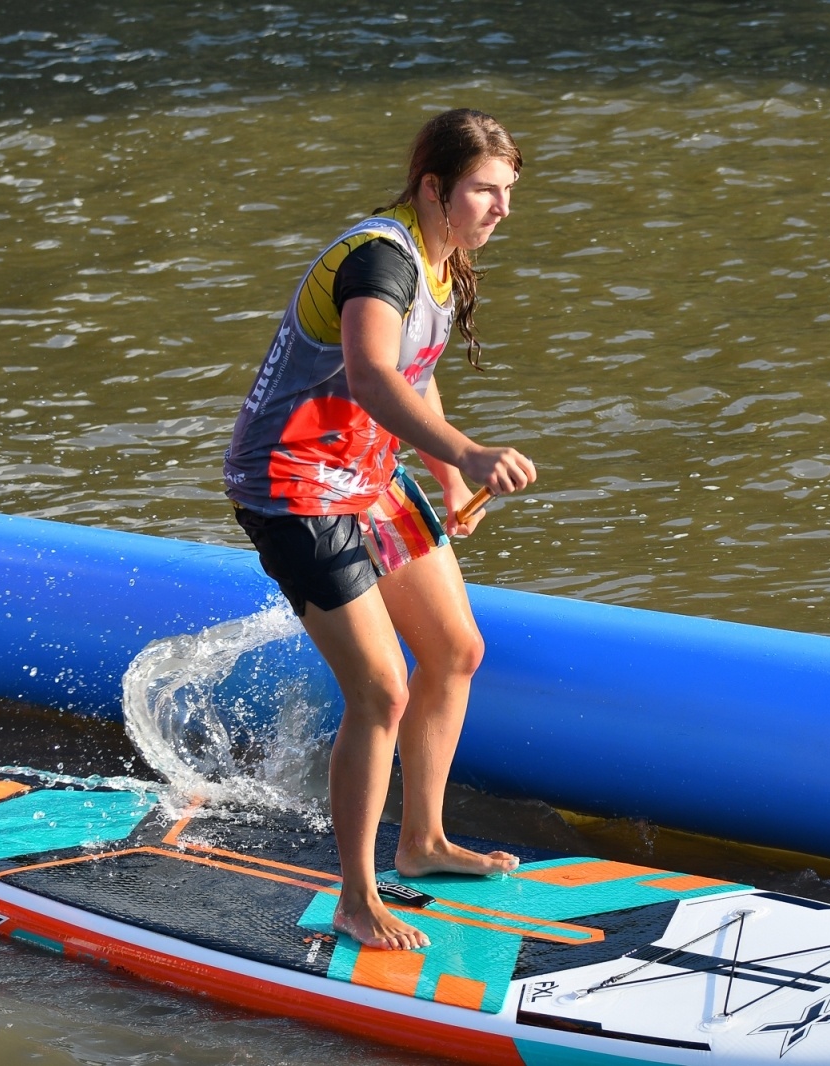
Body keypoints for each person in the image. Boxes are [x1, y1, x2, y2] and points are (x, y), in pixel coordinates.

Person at [223, 109, 535, 951]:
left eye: (509, 192)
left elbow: (414, 375)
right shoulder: (380, 260)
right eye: (484, 191)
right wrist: (470, 451)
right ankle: (358, 897)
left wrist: (443, 473)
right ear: (433, 187)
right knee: (382, 690)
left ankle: (424, 842)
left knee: (456, 650)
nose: (501, 209)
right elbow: (367, 373)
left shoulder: (446, 260)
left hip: (367, 472)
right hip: (294, 483)